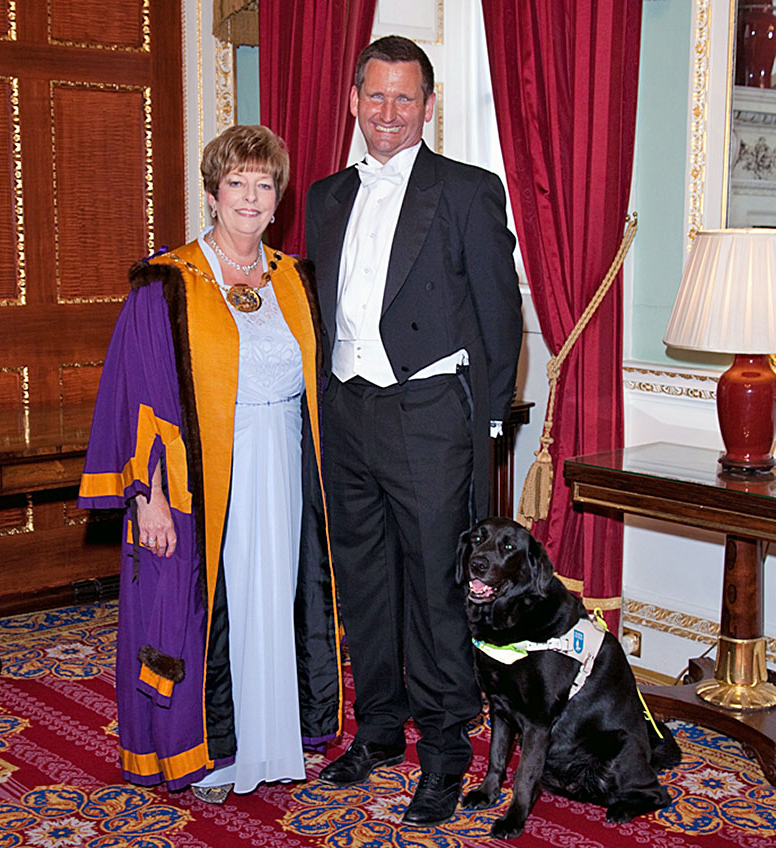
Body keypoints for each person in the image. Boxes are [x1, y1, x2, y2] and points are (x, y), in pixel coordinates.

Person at [79, 125, 342, 804]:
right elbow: (140, 395)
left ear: (277, 198)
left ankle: (269, 742)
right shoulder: (168, 283)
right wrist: (149, 495)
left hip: (284, 465)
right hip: (205, 481)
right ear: (211, 193)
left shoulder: (293, 277)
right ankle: (216, 755)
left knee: (276, 599)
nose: (251, 197)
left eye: (264, 184)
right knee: (208, 610)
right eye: (237, 183)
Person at [305, 36, 523, 826]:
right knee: (363, 581)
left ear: (429, 105)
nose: (389, 113)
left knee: (437, 590)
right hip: (348, 412)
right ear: (353, 101)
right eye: (376, 97)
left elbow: (502, 313)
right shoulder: (326, 195)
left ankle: (443, 752)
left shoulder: (466, 189)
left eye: (405, 98)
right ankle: (379, 732)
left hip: (430, 417)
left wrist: (488, 422)